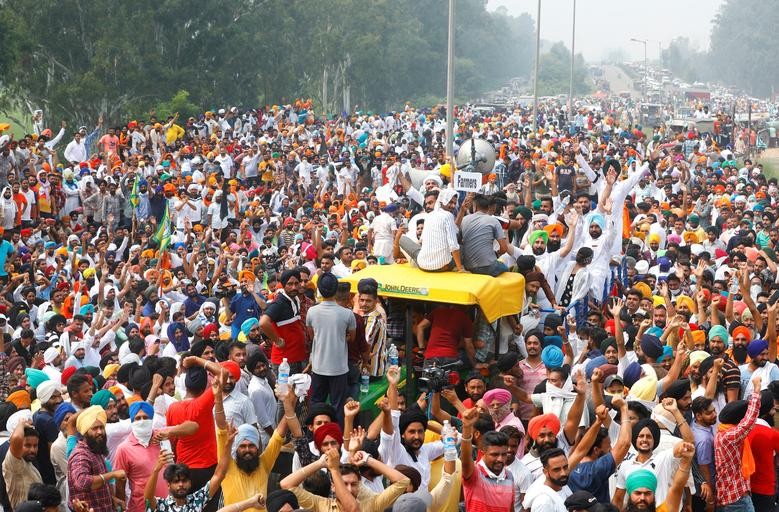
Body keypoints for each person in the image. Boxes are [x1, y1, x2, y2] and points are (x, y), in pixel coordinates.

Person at [113, 401, 198, 512]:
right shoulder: (124, 449)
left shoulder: (161, 435)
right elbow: (120, 483)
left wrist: (169, 433)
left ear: (152, 419)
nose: (142, 421)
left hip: (170, 505)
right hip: (142, 507)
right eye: (137, 418)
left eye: (145, 417)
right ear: (132, 421)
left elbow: (193, 427)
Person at [305, 272, 356, 422]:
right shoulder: (347, 314)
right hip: (339, 368)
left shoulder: (312, 311)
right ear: (336, 290)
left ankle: (314, 437)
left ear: (319, 290)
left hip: (319, 366)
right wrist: (340, 337)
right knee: (338, 406)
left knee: (316, 403)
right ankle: (337, 437)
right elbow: (351, 338)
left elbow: (311, 335)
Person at [67, 405, 127, 512]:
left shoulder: (95, 450)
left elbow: (98, 489)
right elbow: (82, 482)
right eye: (94, 428)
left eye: (101, 427)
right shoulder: (81, 455)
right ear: (85, 432)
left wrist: (112, 499)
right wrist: (112, 475)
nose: (100, 432)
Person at [460, 407, 514, 512]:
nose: (500, 459)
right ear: (483, 452)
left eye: (504, 454)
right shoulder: (475, 473)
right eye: (494, 454)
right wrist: (467, 427)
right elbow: (465, 460)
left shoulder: (509, 476)